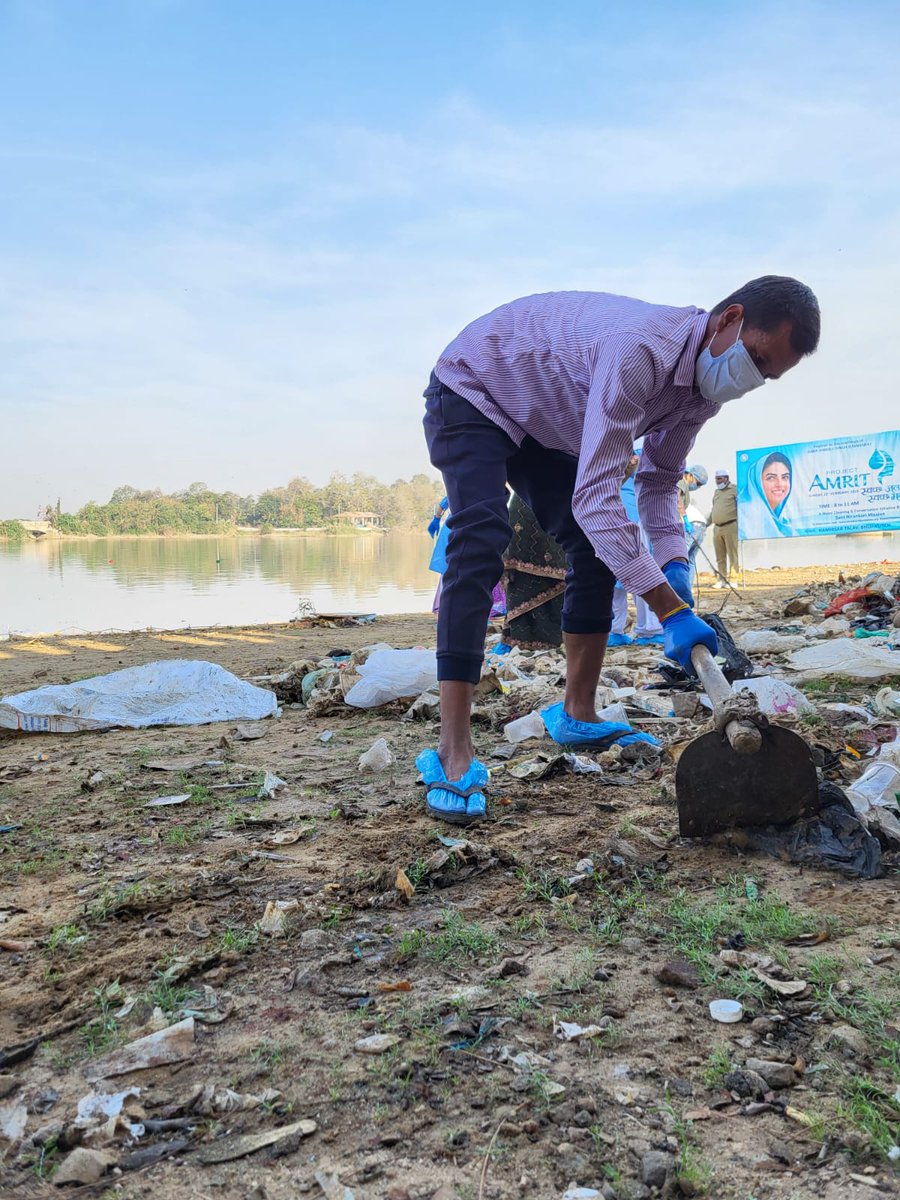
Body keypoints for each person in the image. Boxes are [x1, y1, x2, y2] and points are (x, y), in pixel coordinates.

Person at [418, 276, 820, 823]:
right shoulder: (643, 351)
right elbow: (597, 500)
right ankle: (453, 748)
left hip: (547, 426)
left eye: (764, 377)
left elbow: (657, 482)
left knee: (590, 549)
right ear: (729, 319)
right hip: (477, 387)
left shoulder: (701, 395)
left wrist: (675, 568)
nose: (747, 380)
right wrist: (668, 610)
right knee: (480, 537)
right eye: (754, 357)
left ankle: (578, 712)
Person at [609, 450, 664, 646]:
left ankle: (614, 629)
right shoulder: (643, 453)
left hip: (608, 518)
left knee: (614, 578)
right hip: (631, 518)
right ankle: (649, 629)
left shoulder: (610, 450)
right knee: (642, 573)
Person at [501, 493, 566, 648]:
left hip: (539, 508)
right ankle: (528, 640)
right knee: (524, 580)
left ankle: (541, 640)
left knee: (558, 579)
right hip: (531, 513)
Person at [739, 450, 794, 539]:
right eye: (771, 478)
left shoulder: (784, 522)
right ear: (757, 481)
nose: (779, 484)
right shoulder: (744, 516)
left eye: (785, 477)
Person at [710, 468, 739, 586]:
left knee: (733, 554)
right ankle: (721, 579)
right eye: (716, 479)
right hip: (717, 528)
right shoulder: (716, 492)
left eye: (719, 479)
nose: (717, 481)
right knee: (720, 556)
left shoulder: (735, 490)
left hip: (730, 526)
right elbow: (714, 509)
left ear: (726, 479)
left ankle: (733, 580)